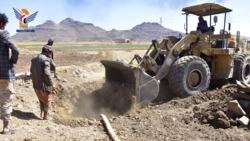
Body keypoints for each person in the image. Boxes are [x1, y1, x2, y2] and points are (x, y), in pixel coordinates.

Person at [0, 13, 19, 134]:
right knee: (6, 99)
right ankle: (6, 128)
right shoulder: (3, 33)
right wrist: (12, 61)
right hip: (4, 73)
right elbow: (16, 49)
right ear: (2, 23)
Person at [30, 45, 56, 120]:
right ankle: (46, 116)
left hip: (36, 84)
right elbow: (47, 73)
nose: (50, 54)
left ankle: (42, 113)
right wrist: (52, 84)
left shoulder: (34, 59)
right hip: (44, 85)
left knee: (41, 99)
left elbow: (31, 71)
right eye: (50, 52)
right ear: (47, 52)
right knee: (47, 101)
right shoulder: (45, 60)